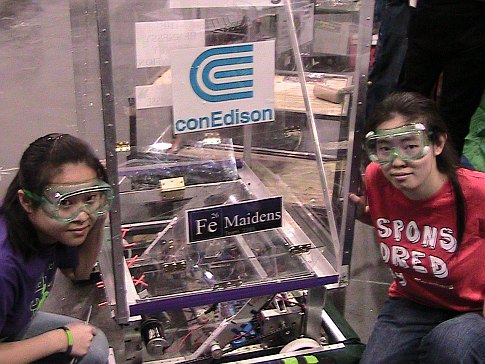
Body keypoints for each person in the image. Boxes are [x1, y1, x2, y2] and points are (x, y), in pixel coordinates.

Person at [350, 92, 485, 363]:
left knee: (450, 345)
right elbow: (398, 223)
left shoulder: (478, 193)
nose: (397, 162)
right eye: (385, 148)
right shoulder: (378, 178)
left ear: (437, 144)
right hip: (413, 300)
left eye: (411, 146)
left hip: (475, 308)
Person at [0, 133, 111, 363]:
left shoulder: (48, 229)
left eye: (89, 198)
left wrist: (99, 214)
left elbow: (79, 272)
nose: (81, 216)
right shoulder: (4, 266)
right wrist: (61, 339)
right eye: (66, 202)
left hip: (11, 326)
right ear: (27, 201)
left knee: (93, 345)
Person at [398, 0, 485, 155]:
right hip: (435, 15)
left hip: (471, 19)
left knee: (455, 114)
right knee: (408, 105)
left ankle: (444, 171)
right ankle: (405, 161)